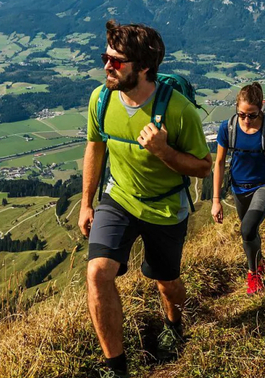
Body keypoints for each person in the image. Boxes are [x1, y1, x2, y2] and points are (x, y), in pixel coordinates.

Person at [79, 20, 212, 378]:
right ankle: (117, 368)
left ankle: (175, 328)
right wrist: (86, 202)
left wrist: (164, 151)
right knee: (97, 273)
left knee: (166, 283)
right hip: (119, 197)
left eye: (116, 61)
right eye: (105, 57)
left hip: (166, 205)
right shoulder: (101, 98)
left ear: (144, 68)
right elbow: (95, 147)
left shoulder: (179, 110)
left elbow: (203, 168)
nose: (107, 66)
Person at [210, 82, 265, 294]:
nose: (247, 120)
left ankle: (253, 274)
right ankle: (258, 262)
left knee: (247, 228)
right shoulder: (228, 128)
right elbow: (219, 163)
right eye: (242, 114)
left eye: (252, 115)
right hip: (239, 188)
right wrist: (215, 200)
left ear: (260, 109)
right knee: (250, 233)